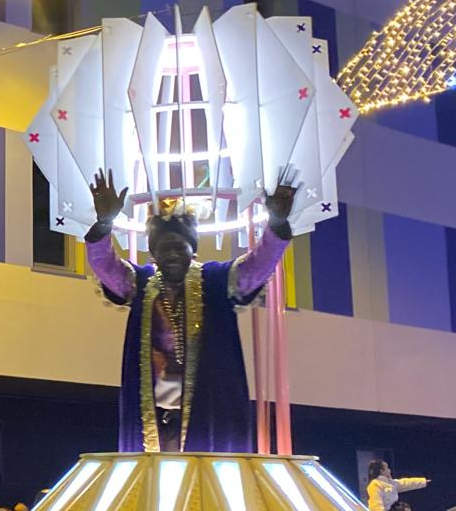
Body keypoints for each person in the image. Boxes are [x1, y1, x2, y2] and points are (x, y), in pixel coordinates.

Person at [86, 167, 299, 452]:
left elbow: (258, 265)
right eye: (164, 249)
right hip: (153, 413)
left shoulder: (216, 279)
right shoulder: (141, 283)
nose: (172, 254)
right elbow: (104, 265)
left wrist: (277, 224)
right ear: (154, 254)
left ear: (193, 250)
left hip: (208, 410)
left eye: (179, 247)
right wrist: (103, 224)